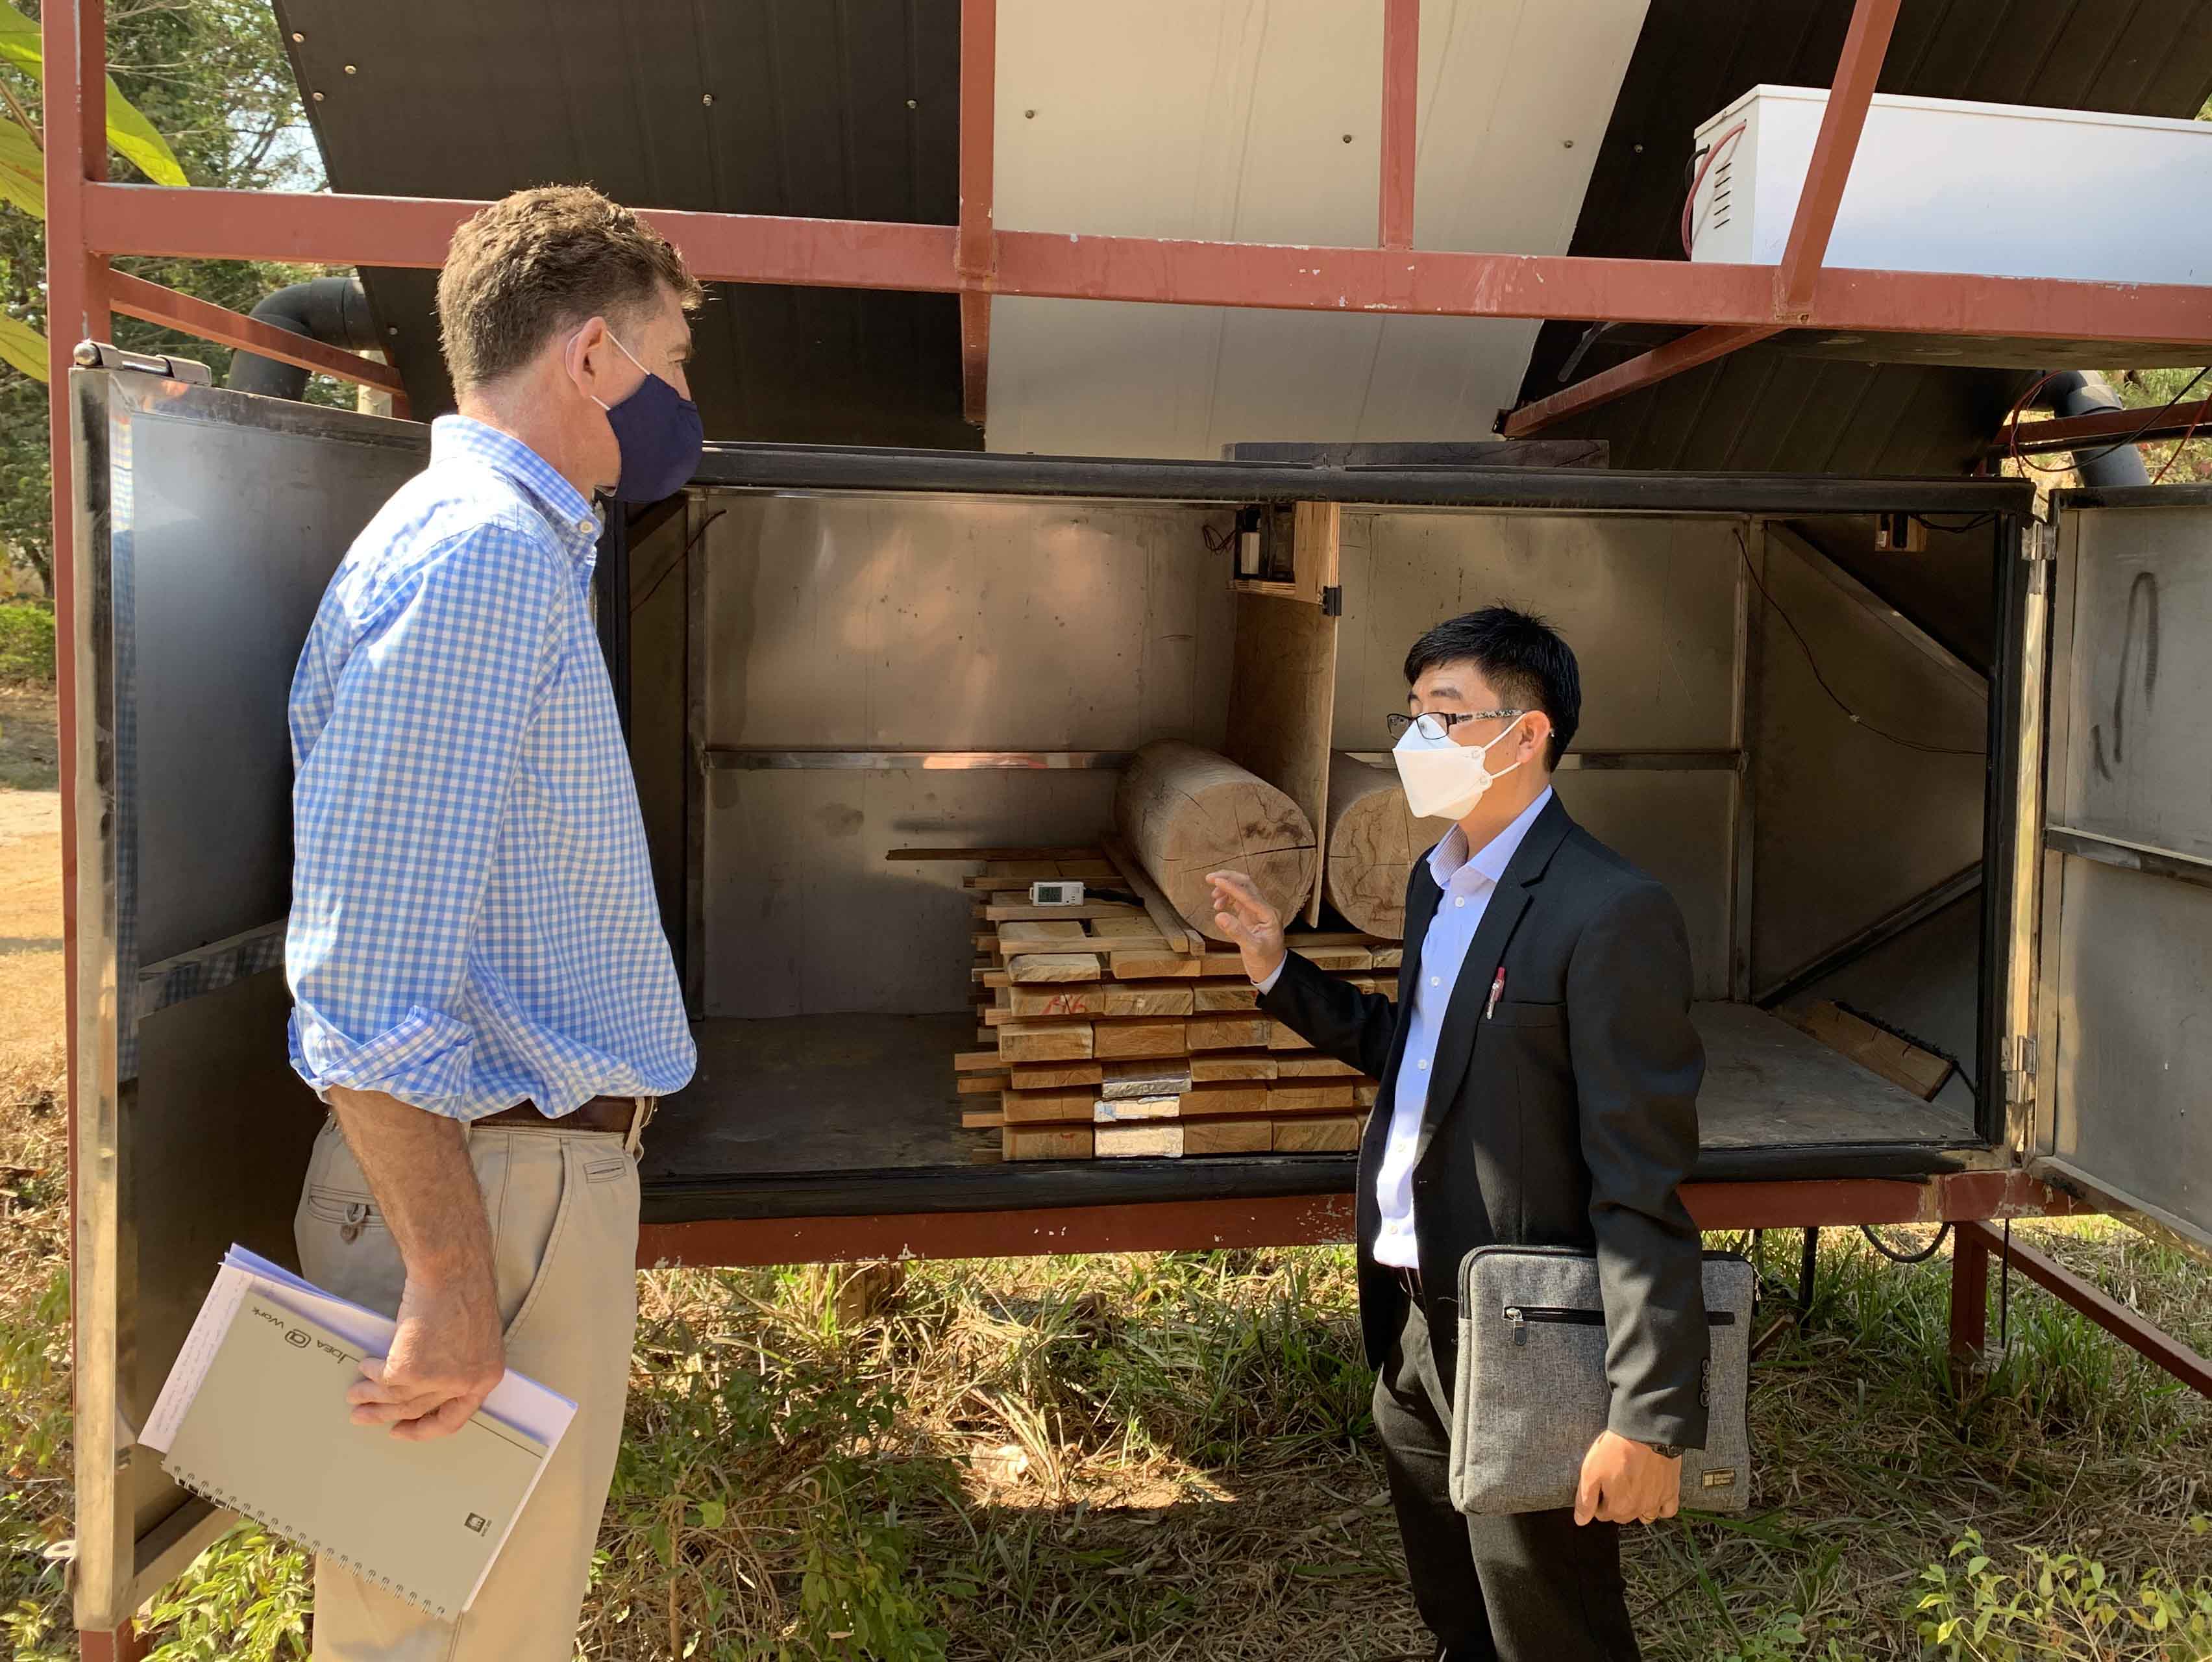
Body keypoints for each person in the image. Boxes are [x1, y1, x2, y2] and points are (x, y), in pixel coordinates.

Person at [282, 184, 704, 1660]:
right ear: (591, 355)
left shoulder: (512, 547)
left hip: (516, 1182)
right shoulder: (482, 560)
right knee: (446, 1640)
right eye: (670, 360)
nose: (680, 401)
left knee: (489, 1627)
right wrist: (455, 1280)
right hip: (490, 1191)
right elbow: (362, 977)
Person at [1209, 606, 1708, 1662]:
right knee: (1456, 1614)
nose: (1414, 744)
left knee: (1550, 1625)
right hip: (1410, 1317)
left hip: (1522, 1328)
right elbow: (1424, 1054)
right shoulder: (1436, 882)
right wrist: (1276, 970)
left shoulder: (1609, 909)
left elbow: (1641, 1174)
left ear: (1526, 735)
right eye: (1412, 714)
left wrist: (1648, 1416)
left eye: (1444, 716)